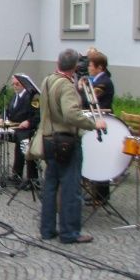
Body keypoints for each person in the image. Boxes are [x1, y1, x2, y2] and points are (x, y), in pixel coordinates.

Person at [35, 49, 105, 245]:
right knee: (70, 188)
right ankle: (70, 233)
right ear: (75, 67)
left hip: (48, 139)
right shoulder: (66, 85)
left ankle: (47, 229)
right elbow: (71, 114)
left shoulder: (48, 80)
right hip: (65, 141)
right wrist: (94, 124)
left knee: (50, 186)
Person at [78, 51, 114, 204]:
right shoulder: (98, 79)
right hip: (97, 119)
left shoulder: (104, 82)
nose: (89, 69)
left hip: (102, 119)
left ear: (100, 67)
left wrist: (81, 88)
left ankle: (101, 195)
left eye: (91, 66)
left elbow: (91, 99)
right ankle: (96, 193)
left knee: (99, 155)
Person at [6, 76, 39, 185]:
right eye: (13, 84)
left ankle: (31, 177)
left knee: (22, 141)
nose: (15, 86)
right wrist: (3, 117)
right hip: (14, 126)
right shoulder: (14, 96)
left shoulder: (32, 96)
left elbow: (37, 114)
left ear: (23, 84)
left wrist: (28, 122)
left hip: (28, 128)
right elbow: (7, 110)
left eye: (17, 84)